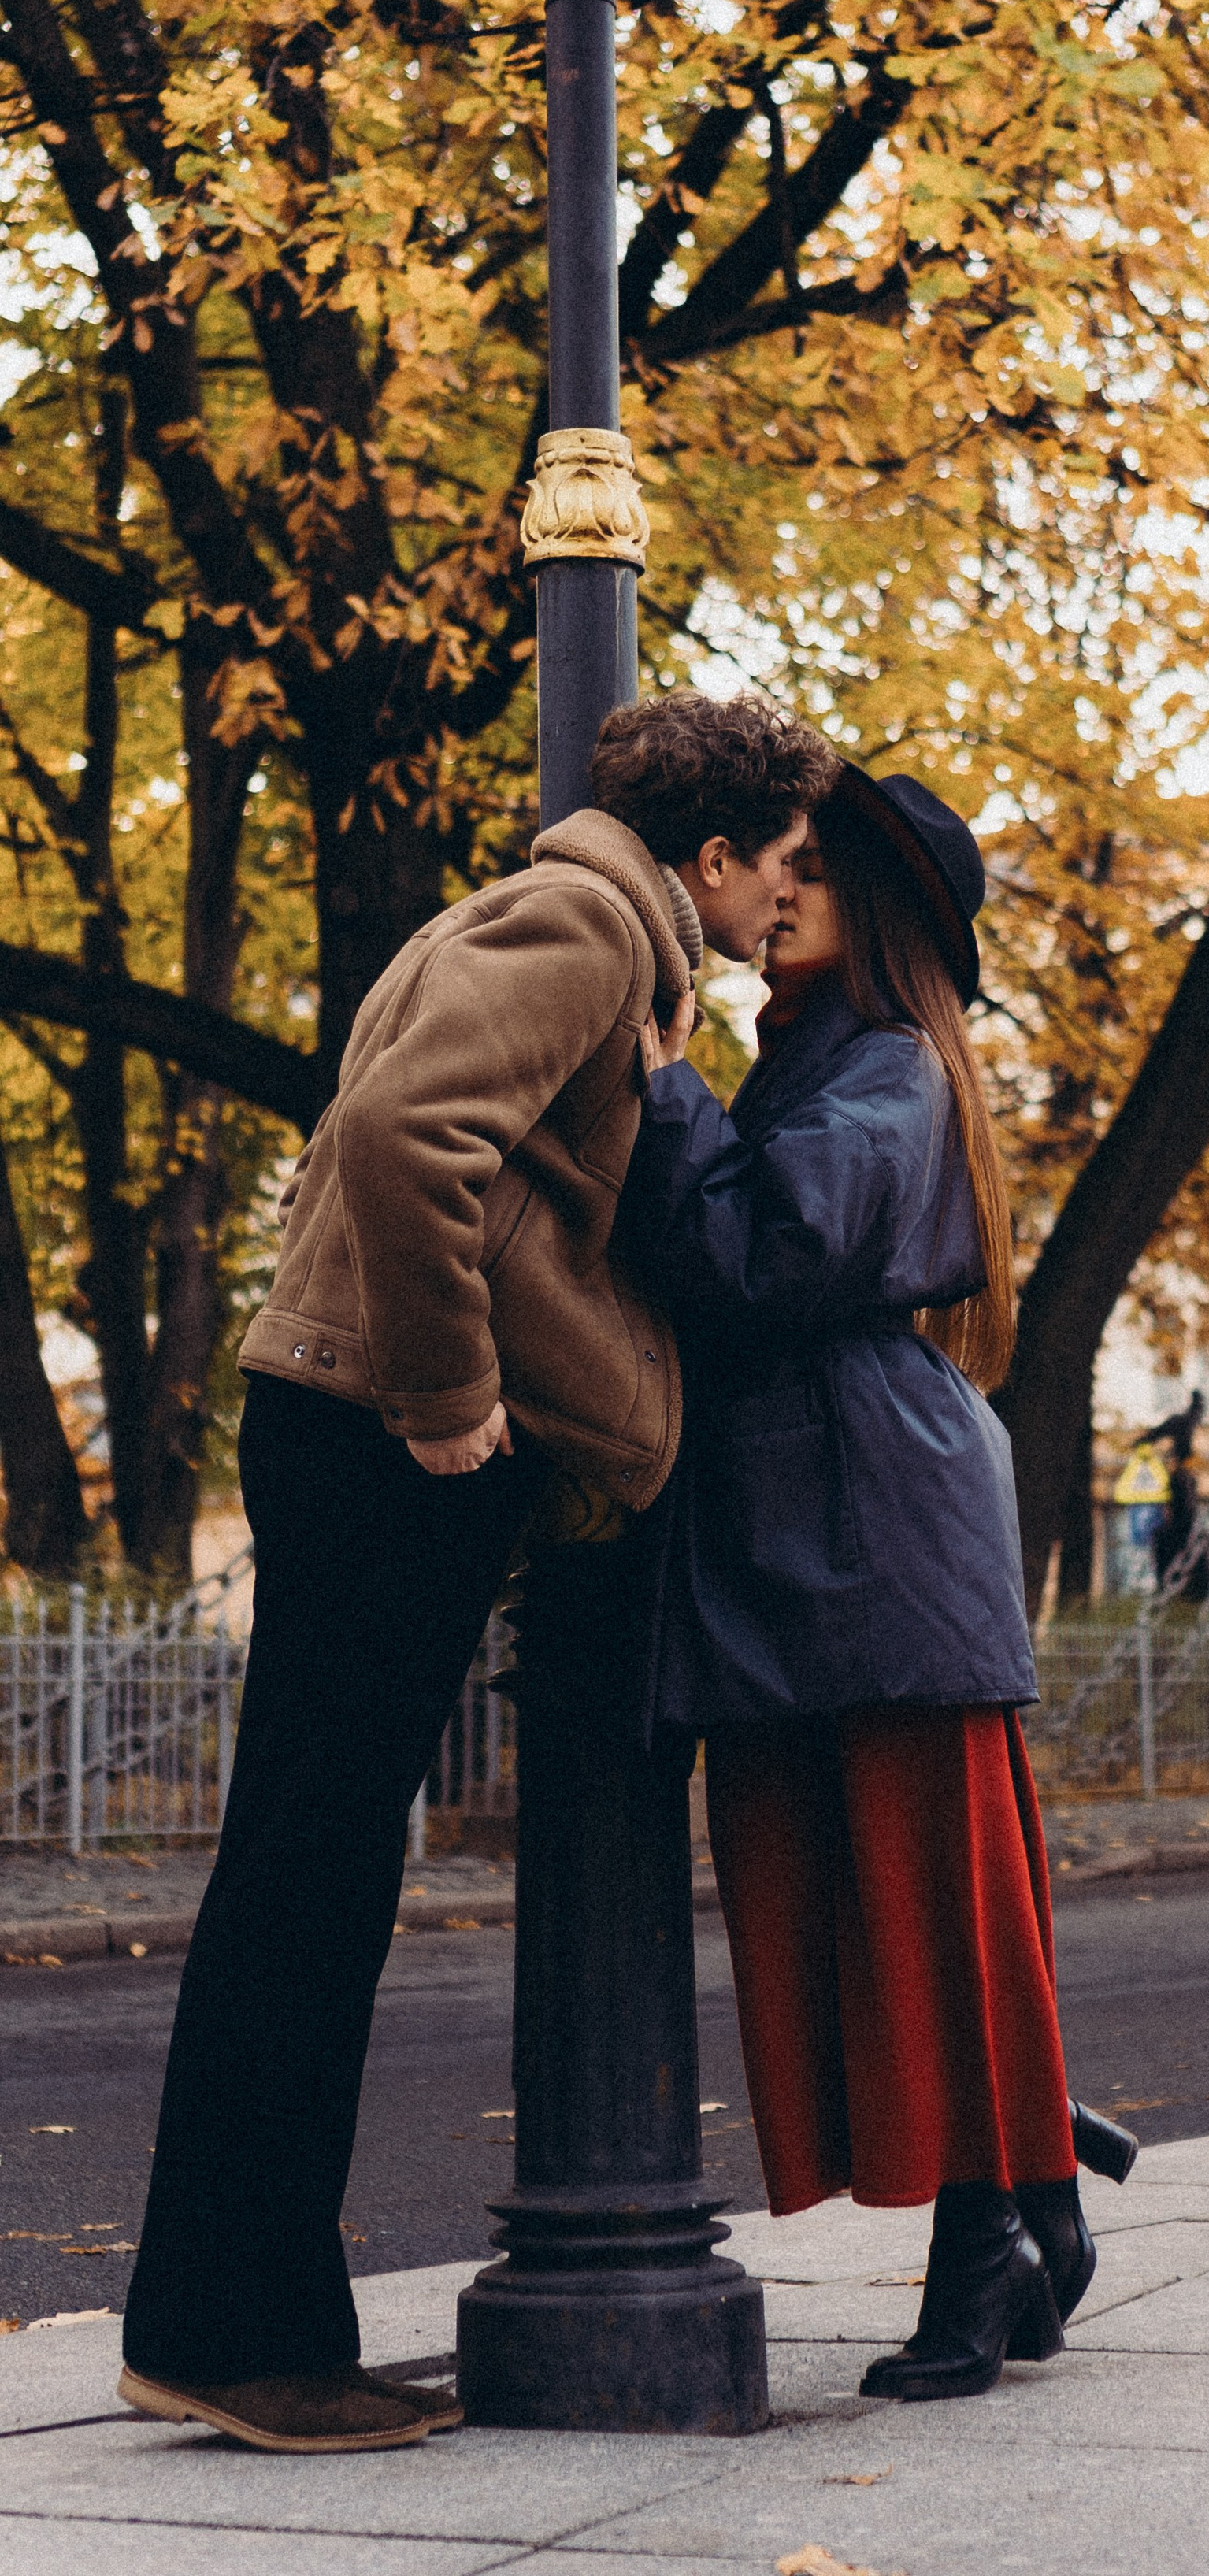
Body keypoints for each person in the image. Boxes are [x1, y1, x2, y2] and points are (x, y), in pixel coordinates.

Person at [117, 691, 834, 2456]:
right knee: (308, 1882)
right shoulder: (586, 926)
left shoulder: (566, 926)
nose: (785, 901)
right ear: (714, 854)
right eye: (782, 865)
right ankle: (235, 2337)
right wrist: (448, 1401)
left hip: (353, 1424)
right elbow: (400, 1141)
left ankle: (234, 2321)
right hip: (381, 1434)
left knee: (309, 1872)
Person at [621, 765, 1135, 2406]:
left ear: (883, 915)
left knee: (928, 1905)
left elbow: (757, 1253)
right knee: (848, 1908)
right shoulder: (813, 1059)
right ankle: (1036, 2184)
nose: (774, 895)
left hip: (879, 1530)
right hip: (817, 1523)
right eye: (776, 869)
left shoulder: (890, 1064)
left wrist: (665, 1088)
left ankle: (990, 2247)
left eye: (812, 877)